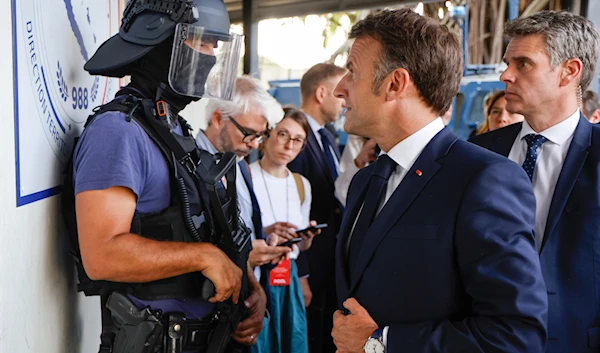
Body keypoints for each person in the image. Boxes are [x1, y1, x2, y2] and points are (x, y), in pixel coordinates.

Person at [331, 8, 547, 353]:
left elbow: (515, 335)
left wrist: (381, 344)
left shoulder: (484, 179)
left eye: (352, 72)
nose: (340, 88)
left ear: (394, 84)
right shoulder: (365, 181)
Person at [62, 1, 268, 353]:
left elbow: (202, 226)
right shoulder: (118, 131)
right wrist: (205, 258)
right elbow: (102, 255)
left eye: (215, 47)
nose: (211, 57)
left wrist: (247, 286)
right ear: (160, 39)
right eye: (202, 44)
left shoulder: (172, 129)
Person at [470, 10, 600, 353]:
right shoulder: (477, 152)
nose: (505, 75)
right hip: (482, 340)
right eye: (506, 63)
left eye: (523, 64)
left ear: (569, 71)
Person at [196, 75, 293, 352]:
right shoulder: (187, 168)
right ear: (218, 118)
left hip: (242, 313)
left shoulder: (239, 165)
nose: (254, 144)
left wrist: (263, 243)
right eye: (249, 133)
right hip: (205, 320)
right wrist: (244, 255)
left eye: (261, 135)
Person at [250, 107, 320, 353]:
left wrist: (305, 238)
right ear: (267, 135)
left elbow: (300, 248)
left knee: (293, 341)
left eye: (298, 140)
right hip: (256, 276)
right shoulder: (246, 176)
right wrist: (265, 231)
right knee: (261, 342)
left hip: (287, 274)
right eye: (283, 135)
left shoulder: (301, 185)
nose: (289, 145)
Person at [288, 62, 346, 353]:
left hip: (329, 262)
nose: (345, 100)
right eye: (339, 95)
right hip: (309, 262)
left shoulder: (328, 138)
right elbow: (291, 211)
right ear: (321, 93)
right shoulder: (295, 140)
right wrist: (302, 273)